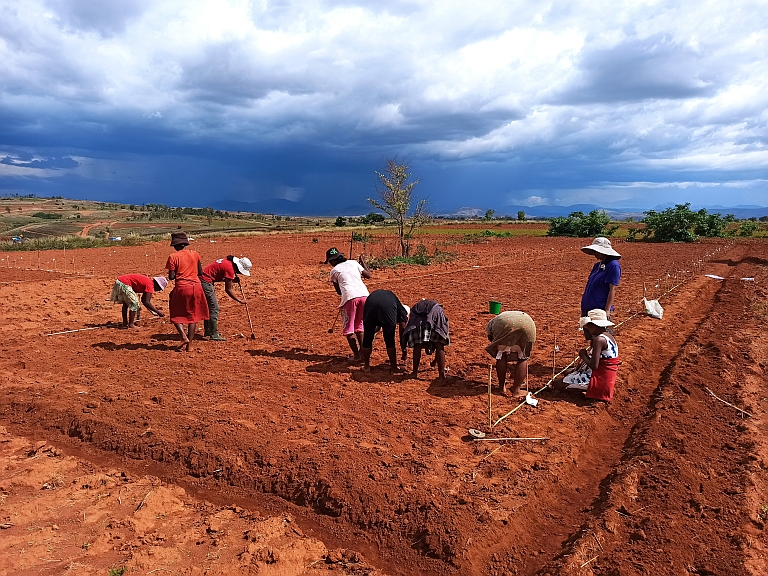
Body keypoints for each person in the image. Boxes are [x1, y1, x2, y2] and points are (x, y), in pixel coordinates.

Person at [553, 309, 619, 402]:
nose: (587, 329)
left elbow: (594, 366)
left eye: (589, 326)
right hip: (604, 376)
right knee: (568, 372)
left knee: (556, 384)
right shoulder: (608, 336)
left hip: (598, 379)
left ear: (594, 325)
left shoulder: (598, 340)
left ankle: (588, 390)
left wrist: (583, 355)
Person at [165, 232, 209, 351]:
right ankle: (190, 345)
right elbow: (200, 272)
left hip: (182, 287)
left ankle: (184, 337)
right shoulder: (195, 254)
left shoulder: (173, 257)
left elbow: (171, 277)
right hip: (197, 287)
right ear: (185, 244)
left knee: (176, 313)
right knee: (193, 316)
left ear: (175, 245)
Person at [325, 247, 371, 360]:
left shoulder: (334, 271)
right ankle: (364, 354)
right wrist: (362, 262)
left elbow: (339, 292)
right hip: (365, 296)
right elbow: (368, 275)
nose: (330, 264)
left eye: (330, 261)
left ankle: (356, 356)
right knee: (360, 326)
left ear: (333, 260)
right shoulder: (353, 263)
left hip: (350, 298)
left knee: (349, 329)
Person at [200, 256, 252, 341]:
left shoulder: (228, 263)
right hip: (205, 282)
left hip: (204, 280)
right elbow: (228, 290)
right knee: (214, 308)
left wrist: (231, 280)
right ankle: (213, 334)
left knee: (209, 307)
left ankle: (209, 331)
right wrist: (240, 300)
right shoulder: (230, 269)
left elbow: (219, 274)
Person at [485, 311, 536, 397]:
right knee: (523, 357)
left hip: (504, 325)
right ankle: (517, 390)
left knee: (501, 354)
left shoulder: (493, 324)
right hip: (527, 324)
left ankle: (501, 387)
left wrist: (501, 348)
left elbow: (492, 339)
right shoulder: (498, 320)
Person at [360, 289, 410, 373]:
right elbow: (402, 333)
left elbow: (377, 326)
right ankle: (394, 368)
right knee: (389, 339)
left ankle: (366, 366)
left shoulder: (392, 299)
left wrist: (371, 333)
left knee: (367, 338)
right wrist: (404, 349)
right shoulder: (402, 312)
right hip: (386, 308)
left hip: (370, 304)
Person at [401, 299, 450, 380]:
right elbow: (438, 346)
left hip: (419, 318)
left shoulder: (414, 309)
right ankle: (441, 375)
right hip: (435, 313)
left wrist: (434, 361)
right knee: (439, 345)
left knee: (418, 345)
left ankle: (414, 373)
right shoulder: (439, 311)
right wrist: (434, 361)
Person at [580, 237, 621, 318]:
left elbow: (612, 289)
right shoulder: (597, 266)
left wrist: (607, 309)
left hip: (600, 310)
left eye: (597, 251)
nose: (595, 253)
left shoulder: (613, 266)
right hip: (587, 309)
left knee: (602, 330)